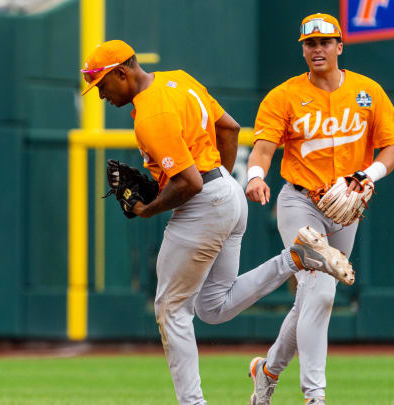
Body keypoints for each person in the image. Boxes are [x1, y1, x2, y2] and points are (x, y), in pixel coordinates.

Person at [80, 39, 355, 405]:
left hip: (203, 202)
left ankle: (193, 403)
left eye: (101, 85)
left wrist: (149, 209)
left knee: (171, 308)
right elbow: (229, 128)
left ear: (121, 73)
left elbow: (189, 183)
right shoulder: (178, 80)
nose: (101, 95)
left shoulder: (151, 114)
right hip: (227, 191)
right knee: (213, 307)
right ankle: (296, 257)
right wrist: (223, 180)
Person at [245, 13, 394, 405]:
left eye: (325, 42)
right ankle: (315, 396)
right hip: (300, 200)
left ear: (339, 46)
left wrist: (370, 174)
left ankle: (269, 370)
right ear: (303, 49)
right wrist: (255, 176)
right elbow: (263, 147)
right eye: (310, 44)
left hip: (346, 206)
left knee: (311, 298)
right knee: (321, 290)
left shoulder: (368, 91)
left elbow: (390, 145)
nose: (318, 49)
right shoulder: (284, 95)